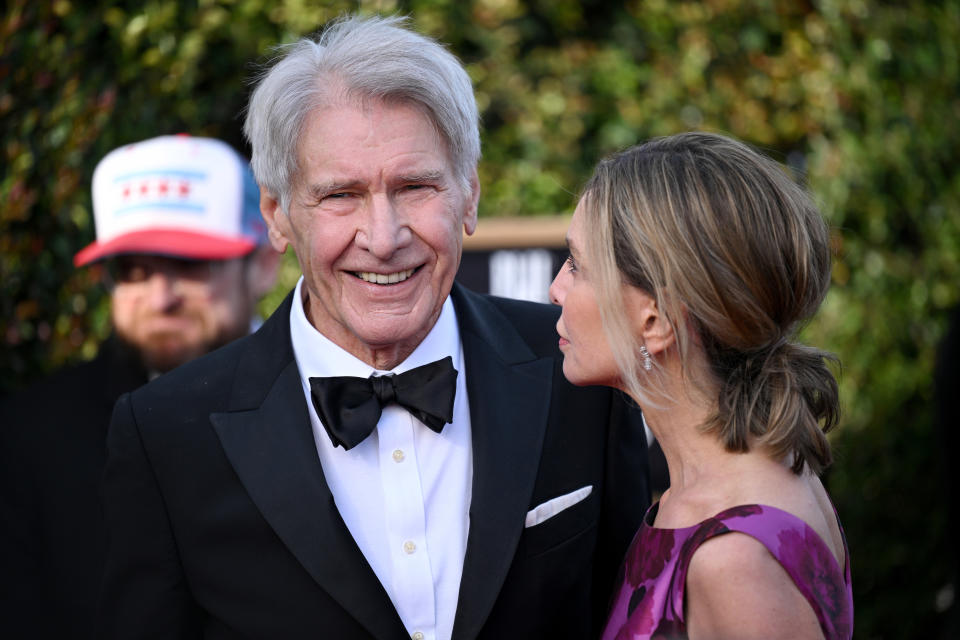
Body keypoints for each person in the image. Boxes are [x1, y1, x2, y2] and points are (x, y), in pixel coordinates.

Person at [95, 15, 649, 640]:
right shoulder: (167, 434)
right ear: (277, 215)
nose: (383, 238)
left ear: (469, 195)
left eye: (414, 186)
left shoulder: (578, 374)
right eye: (340, 195)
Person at [549, 131, 854, 639]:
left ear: (657, 321)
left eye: (578, 266)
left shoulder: (735, 559)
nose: (557, 288)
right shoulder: (711, 490)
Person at [0, 134, 280, 640]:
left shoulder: (339, 404)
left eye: (191, 264)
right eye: (132, 270)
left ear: (262, 265)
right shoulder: (29, 436)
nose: (161, 296)